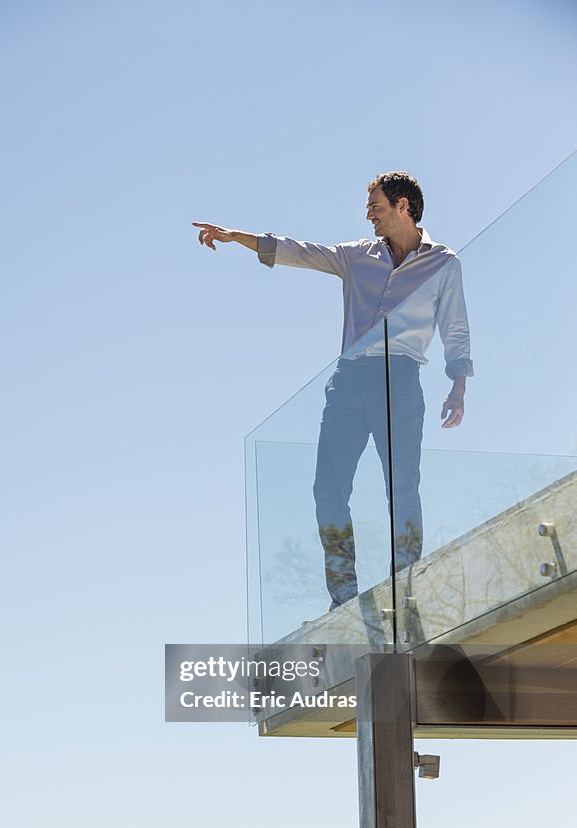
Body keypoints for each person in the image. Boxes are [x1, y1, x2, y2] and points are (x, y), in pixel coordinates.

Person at [193, 171, 473, 609]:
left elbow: (455, 329)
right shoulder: (356, 256)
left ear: (404, 206)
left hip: (400, 382)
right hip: (347, 384)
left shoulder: (443, 263)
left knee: (402, 489)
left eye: (375, 207)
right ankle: (342, 598)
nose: (368, 215)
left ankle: (407, 589)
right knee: (328, 489)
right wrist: (236, 237)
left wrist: (458, 386)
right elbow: (299, 252)